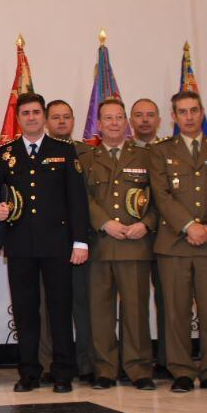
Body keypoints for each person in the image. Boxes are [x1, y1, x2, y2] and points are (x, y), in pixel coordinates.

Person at [0, 93, 89, 394]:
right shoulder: (6, 153)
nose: (31, 118)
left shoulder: (63, 151)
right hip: (20, 246)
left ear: (44, 117)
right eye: (25, 113)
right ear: (18, 119)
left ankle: (62, 373)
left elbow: (76, 201)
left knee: (59, 310)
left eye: (36, 113)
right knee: (25, 311)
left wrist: (80, 242)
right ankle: (28, 373)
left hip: (57, 244)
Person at [147, 91, 207, 393]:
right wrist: (188, 226)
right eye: (182, 112)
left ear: (202, 113)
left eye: (194, 111)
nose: (189, 117)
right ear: (173, 117)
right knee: (176, 311)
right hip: (174, 243)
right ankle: (181, 370)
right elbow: (161, 195)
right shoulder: (161, 152)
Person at [78, 99, 158, 391]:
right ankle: (105, 369)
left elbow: (159, 195)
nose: (113, 123)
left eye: (119, 118)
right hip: (100, 244)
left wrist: (146, 223)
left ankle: (138, 369)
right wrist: (104, 222)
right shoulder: (87, 157)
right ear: (98, 125)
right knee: (100, 312)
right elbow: (81, 198)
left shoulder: (146, 156)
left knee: (136, 311)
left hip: (135, 244)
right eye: (108, 118)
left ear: (127, 123)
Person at [43, 98, 94, 383]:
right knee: (49, 308)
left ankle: (86, 364)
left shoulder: (89, 153)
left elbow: (90, 200)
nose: (61, 122)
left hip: (81, 242)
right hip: (49, 243)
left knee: (81, 305)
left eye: (66, 117)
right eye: (56, 117)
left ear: (74, 121)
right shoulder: (40, 152)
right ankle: (51, 364)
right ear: (47, 121)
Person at [130, 97, 170, 376]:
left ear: (159, 119)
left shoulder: (170, 150)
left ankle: (169, 359)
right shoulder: (125, 152)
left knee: (170, 302)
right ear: (131, 121)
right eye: (139, 115)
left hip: (168, 238)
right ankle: (135, 361)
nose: (144, 120)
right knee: (134, 304)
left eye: (150, 115)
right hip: (134, 241)